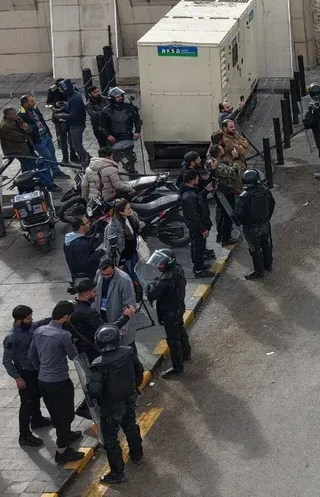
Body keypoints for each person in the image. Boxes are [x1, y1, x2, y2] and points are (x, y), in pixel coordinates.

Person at [85, 324, 144, 483]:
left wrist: (89, 387)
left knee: (111, 439)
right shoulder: (128, 352)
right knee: (130, 426)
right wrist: (134, 388)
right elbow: (139, 371)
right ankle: (137, 454)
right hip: (129, 398)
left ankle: (118, 472)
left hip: (111, 407)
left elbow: (95, 390)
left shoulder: (98, 364)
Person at [28, 301, 83, 463]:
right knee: (65, 415)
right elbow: (73, 356)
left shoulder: (39, 331)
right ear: (66, 317)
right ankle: (62, 450)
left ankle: (66, 436)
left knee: (55, 412)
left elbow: (32, 356)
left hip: (43, 380)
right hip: (59, 381)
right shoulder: (63, 336)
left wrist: (42, 370)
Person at [4, 305, 52, 448]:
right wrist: (18, 378)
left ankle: (37, 420)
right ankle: (24, 435)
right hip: (25, 372)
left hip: (36, 368)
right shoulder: (12, 337)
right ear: (19, 321)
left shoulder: (30, 326)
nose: (31, 320)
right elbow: (7, 360)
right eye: (28, 318)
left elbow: (39, 324)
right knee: (27, 403)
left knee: (36, 396)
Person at [144, 249, 189, 377]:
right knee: (180, 331)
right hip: (179, 307)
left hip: (169, 312)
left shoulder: (166, 279)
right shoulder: (178, 269)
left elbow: (152, 293)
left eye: (162, 263)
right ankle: (186, 353)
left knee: (173, 340)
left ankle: (177, 368)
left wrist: (150, 286)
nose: (159, 266)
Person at [234, 169, 275, 280]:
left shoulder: (243, 197)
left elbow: (239, 214)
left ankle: (259, 272)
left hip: (251, 227)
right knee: (266, 244)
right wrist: (267, 218)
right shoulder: (265, 191)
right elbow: (272, 203)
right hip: (265, 224)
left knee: (255, 249)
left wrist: (244, 223)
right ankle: (268, 265)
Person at [20, 93, 68, 183]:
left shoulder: (35, 109)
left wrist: (48, 132)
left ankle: (56, 172)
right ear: (25, 104)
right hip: (37, 140)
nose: (34, 103)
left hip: (45, 135)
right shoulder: (21, 115)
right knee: (47, 157)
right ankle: (48, 176)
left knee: (52, 154)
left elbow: (41, 120)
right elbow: (27, 128)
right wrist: (35, 125)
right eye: (31, 101)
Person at [178, 170, 215, 277]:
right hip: (197, 227)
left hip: (198, 225)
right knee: (198, 247)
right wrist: (203, 229)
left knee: (199, 246)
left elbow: (198, 199)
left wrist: (206, 191)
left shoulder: (191, 191)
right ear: (192, 180)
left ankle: (200, 265)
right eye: (197, 177)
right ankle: (198, 269)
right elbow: (194, 215)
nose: (199, 179)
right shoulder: (189, 196)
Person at [99, 88, 142, 173]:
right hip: (114, 139)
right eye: (117, 97)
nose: (120, 98)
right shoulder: (106, 111)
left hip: (127, 137)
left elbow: (138, 121)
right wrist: (108, 135)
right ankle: (113, 172)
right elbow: (102, 126)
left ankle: (130, 169)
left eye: (121, 96)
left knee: (128, 156)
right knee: (115, 158)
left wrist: (137, 131)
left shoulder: (130, 108)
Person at [207, 144, 242, 245]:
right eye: (221, 149)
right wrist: (236, 159)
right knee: (228, 215)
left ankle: (222, 235)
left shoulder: (213, 161)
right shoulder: (218, 166)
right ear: (218, 153)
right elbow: (234, 172)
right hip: (224, 193)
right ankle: (226, 238)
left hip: (222, 192)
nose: (224, 149)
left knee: (223, 214)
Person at [57, 79, 90, 165]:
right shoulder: (73, 96)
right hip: (74, 124)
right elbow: (70, 108)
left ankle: (89, 159)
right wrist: (62, 108)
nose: (60, 91)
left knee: (77, 146)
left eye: (61, 89)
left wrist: (61, 115)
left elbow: (73, 114)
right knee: (73, 143)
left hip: (77, 125)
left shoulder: (74, 99)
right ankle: (84, 160)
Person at [64, 217, 102, 287]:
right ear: (81, 227)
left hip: (78, 278)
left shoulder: (69, 240)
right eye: (87, 223)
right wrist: (99, 252)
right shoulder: (81, 244)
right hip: (88, 280)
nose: (90, 223)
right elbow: (85, 263)